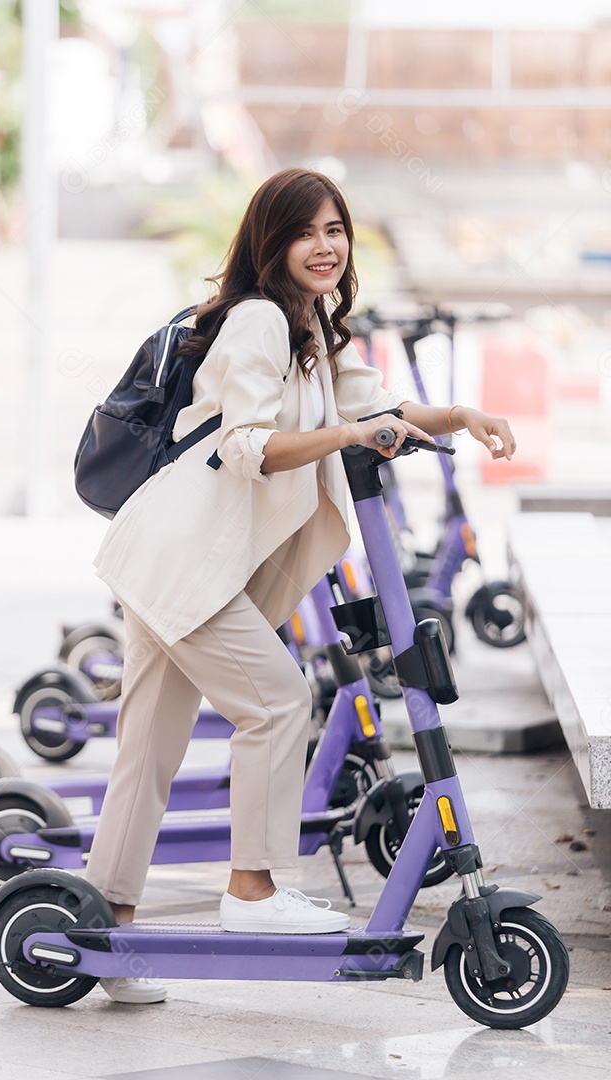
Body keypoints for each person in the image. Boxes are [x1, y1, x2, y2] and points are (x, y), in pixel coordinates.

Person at [84, 167, 516, 1003]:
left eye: (336, 230)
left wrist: (458, 417)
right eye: (306, 232)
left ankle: (109, 925)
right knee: (278, 701)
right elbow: (250, 445)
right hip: (183, 562)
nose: (326, 246)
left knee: (149, 749)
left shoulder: (311, 325)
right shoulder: (254, 323)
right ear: (271, 243)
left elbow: (377, 403)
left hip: (183, 564)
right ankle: (252, 888)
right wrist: (352, 432)